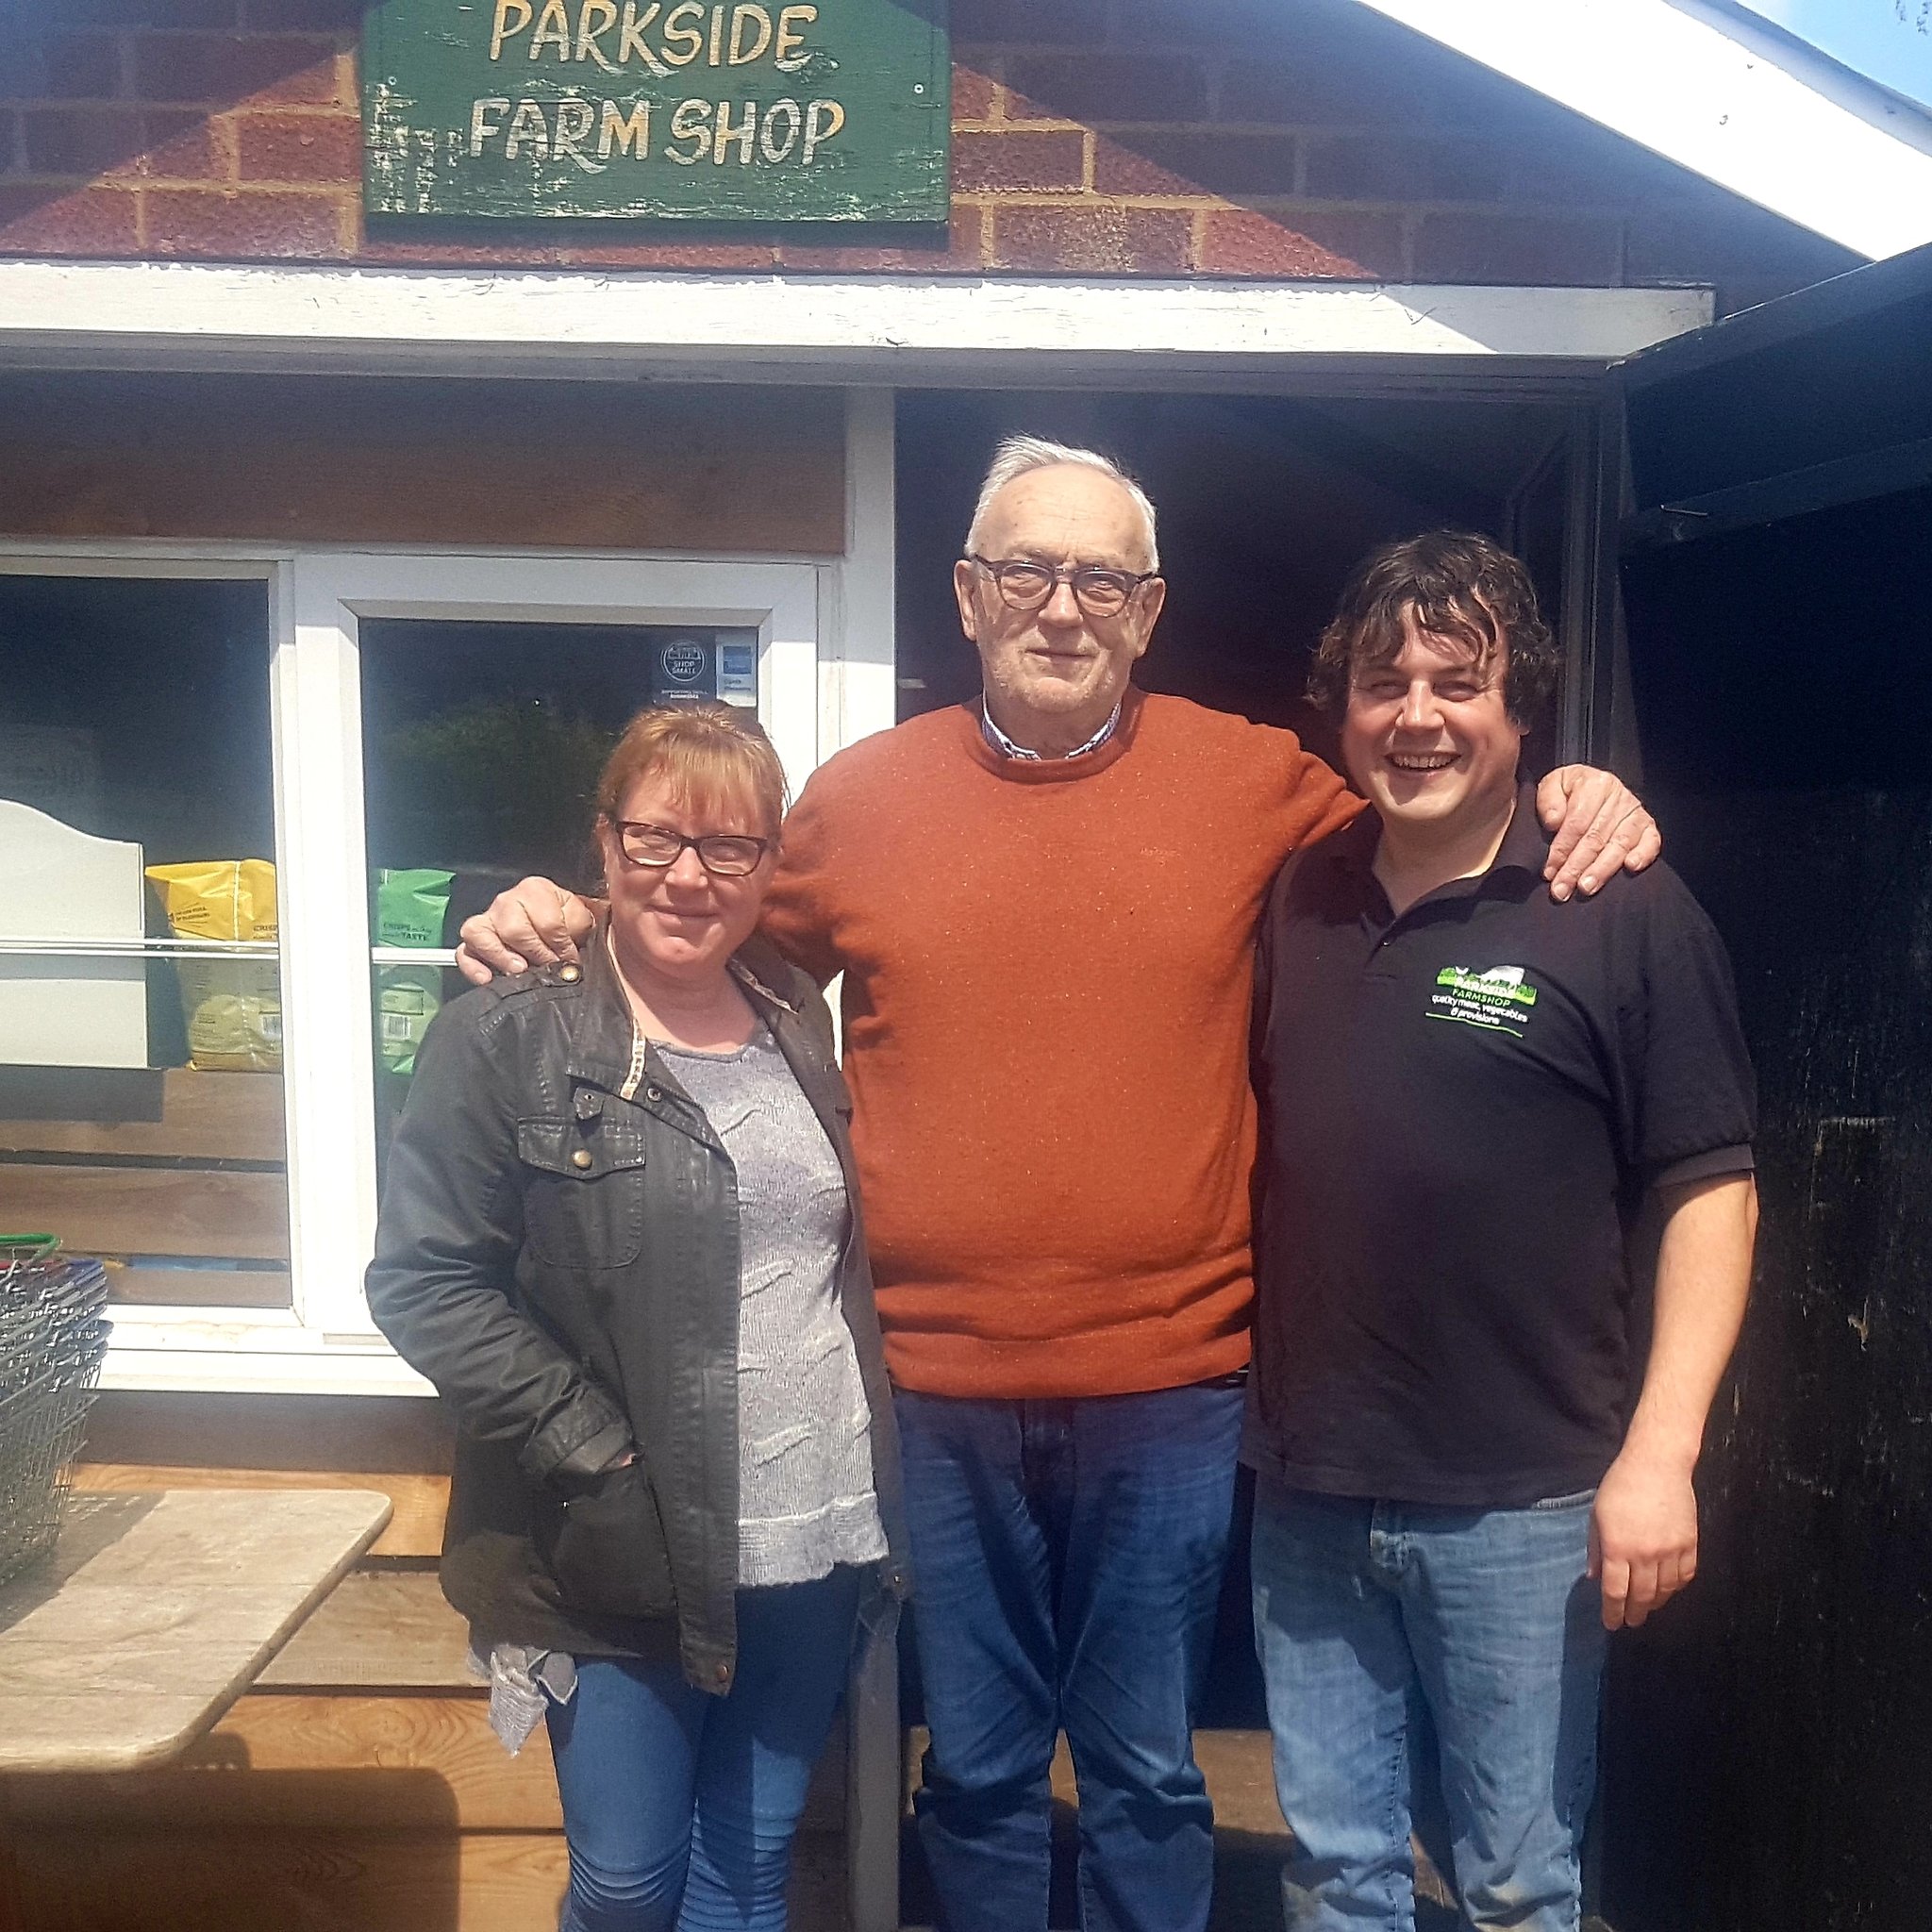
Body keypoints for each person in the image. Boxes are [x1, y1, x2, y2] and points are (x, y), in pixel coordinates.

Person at [453, 440, 1661, 1932]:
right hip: (934, 1392)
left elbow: (1442, 789)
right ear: (967, 594)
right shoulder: (857, 802)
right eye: (1027, 569)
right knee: (975, 1769)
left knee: (1150, 1770)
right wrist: (554, 903)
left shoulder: (1255, 783)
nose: (1063, 607)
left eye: (1102, 578)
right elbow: (692, 919)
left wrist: (1577, 789)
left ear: (1150, 611)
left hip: (1172, 1388)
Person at [1246, 531, 1758, 1931]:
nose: (1416, 714)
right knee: (1337, 1875)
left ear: (1520, 708)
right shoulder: (1298, 897)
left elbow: (1711, 1189)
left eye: (1455, 680)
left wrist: (1662, 1455)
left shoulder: (1618, 904)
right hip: (1310, 1488)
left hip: (1527, 1503)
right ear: (1341, 708)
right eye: (1383, 680)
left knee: (1521, 1888)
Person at [365, 702, 909, 1932]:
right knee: (624, 1883)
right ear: (602, 847)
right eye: (656, 837)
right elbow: (424, 1282)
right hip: (614, 1540)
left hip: (811, 1530)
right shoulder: (508, 1031)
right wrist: (597, 1452)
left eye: (729, 847)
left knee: (746, 1872)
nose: (687, 876)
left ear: (769, 868)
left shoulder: (789, 1014)